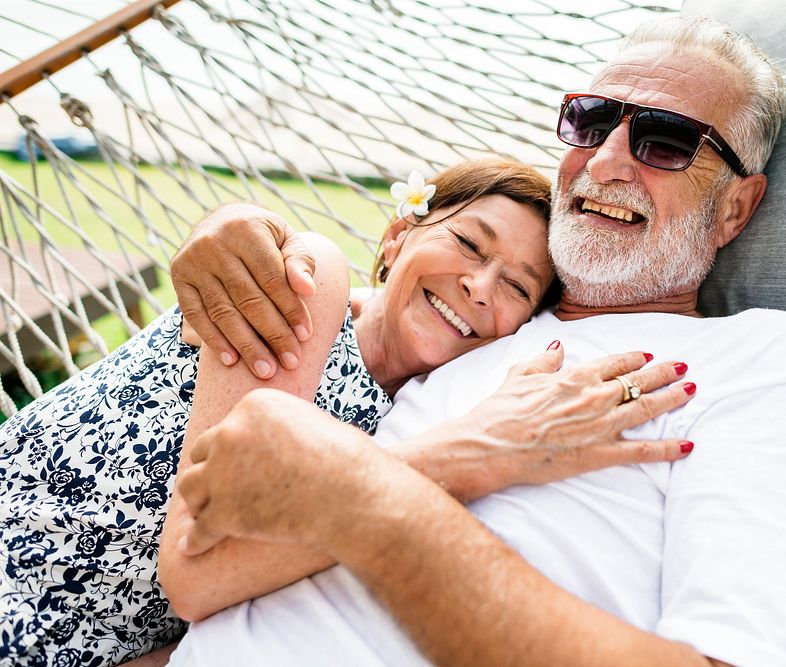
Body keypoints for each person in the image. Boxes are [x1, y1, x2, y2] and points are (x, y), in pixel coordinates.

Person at [161, 14, 786, 667]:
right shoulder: (480, 324)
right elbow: (205, 563)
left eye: (667, 140)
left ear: (735, 208)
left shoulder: (770, 362)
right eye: (591, 123)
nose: (605, 161)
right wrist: (238, 228)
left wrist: (366, 501)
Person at [0, 159, 697, 667]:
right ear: (397, 237)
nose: (479, 286)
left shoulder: (405, 426)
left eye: (515, 285)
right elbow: (202, 542)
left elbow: (224, 607)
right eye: (468, 243)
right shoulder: (314, 281)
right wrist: (481, 448)